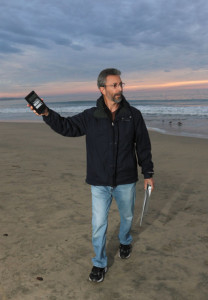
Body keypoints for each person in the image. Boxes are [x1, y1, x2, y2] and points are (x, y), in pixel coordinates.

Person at [28, 68, 154, 283]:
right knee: (98, 226)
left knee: (127, 217)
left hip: (126, 179)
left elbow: (142, 145)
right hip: (99, 181)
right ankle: (99, 264)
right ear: (102, 88)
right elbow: (67, 127)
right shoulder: (90, 116)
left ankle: (125, 241)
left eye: (121, 84)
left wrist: (148, 172)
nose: (119, 88)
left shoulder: (133, 115)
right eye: (114, 85)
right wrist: (47, 114)